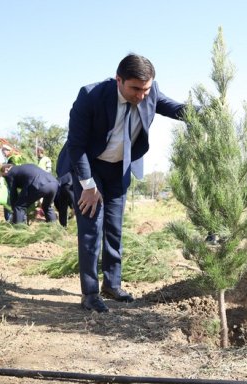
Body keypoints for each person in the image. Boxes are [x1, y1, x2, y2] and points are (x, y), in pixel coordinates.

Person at [57, 53, 188, 313]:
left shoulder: (149, 91)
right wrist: (88, 186)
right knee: (92, 229)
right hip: (89, 167)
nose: (142, 95)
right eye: (135, 89)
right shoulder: (91, 95)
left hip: (120, 168)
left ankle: (112, 285)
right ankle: (91, 293)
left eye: (146, 89)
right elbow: (77, 145)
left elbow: (173, 108)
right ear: (119, 80)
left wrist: (208, 113)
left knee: (114, 228)